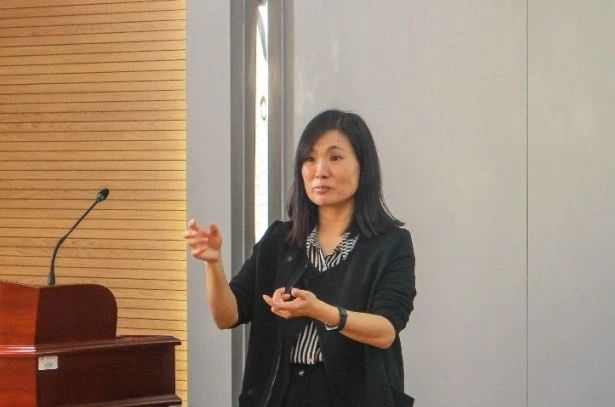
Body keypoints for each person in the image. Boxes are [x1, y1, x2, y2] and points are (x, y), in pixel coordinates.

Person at [184, 109, 416, 407]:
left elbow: (385, 331)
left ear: (363, 166)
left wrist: (320, 311)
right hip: (280, 395)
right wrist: (213, 263)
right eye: (310, 159)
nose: (320, 171)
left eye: (335, 157)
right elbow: (226, 316)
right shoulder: (279, 240)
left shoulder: (391, 244)